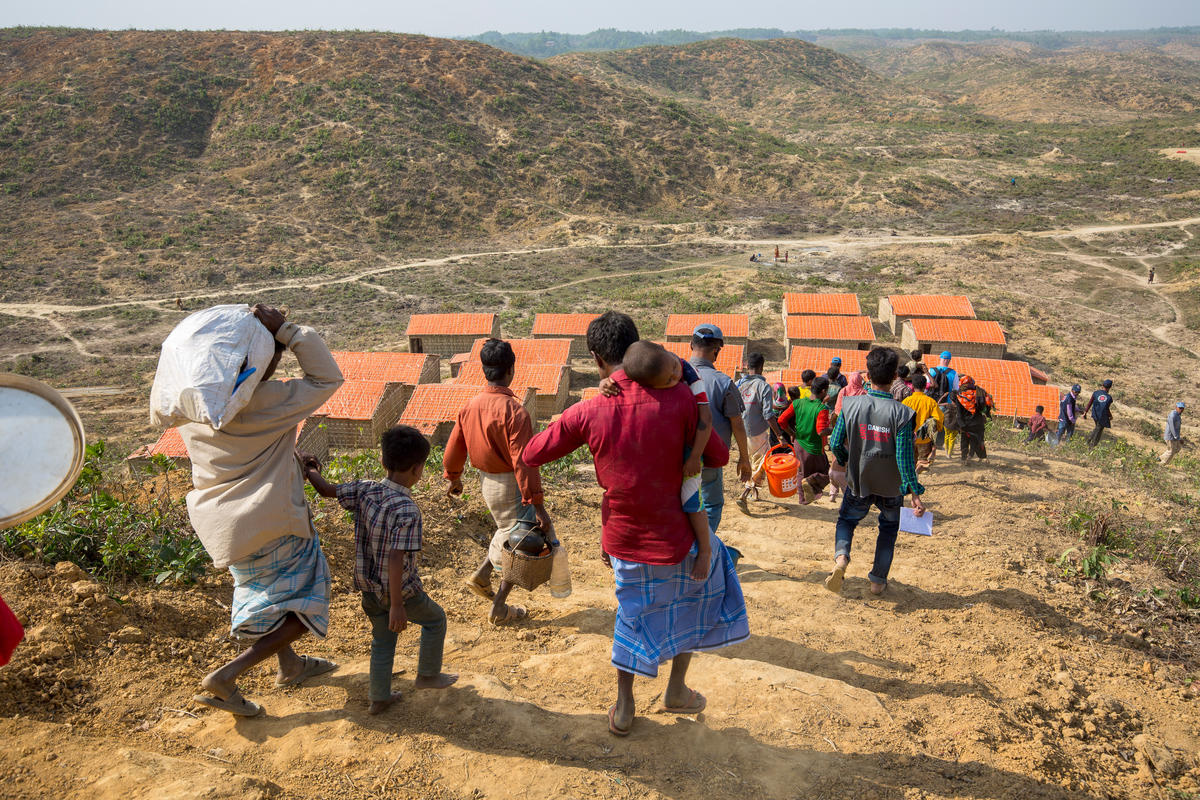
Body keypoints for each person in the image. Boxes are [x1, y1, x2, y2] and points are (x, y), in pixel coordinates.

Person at [522, 311, 749, 737]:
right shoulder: (681, 399)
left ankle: (625, 706)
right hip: (681, 537)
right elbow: (717, 456)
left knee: (631, 615)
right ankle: (676, 689)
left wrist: (577, 412)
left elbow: (533, 453)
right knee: (696, 599)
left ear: (595, 358)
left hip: (624, 539)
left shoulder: (591, 409)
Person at [185, 304, 344, 717]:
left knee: (274, 597)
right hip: (271, 520)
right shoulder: (266, 401)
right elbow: (328, 376)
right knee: (307, 598)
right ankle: (225, 677)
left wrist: (289, 458)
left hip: (223, 524)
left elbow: (245, 454)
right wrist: (289, 331)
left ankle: (290, 666)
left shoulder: (194, 408)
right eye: (271, 354)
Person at [304, 426, 457, 714]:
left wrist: (310, 468)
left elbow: (326, 490)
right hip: (401, 593)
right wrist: (398, 605)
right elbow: (396, 557)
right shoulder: (407, 510)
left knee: (383, 641)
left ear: (383, 462)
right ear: (417, 469)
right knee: (435, 620)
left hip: (368, 588)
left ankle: (379, 697)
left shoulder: (366, 489)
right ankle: (427, 675)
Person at [443, 339, 552, 625]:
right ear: (511, 370)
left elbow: (455, 446)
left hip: (486, 482)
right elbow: (523, 462)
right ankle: (500, 608)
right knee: (521, 543)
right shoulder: (515, 412)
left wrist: (454, 478)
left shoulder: (470, 406)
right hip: (511, 484)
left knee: (506, 531)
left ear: (484, 370)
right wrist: (537, 504)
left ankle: (481, 577)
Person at [825, 347, 926, 596]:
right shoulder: (903, 413)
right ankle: (878, 582)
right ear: (894, 376)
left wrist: (848, 460)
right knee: (888, 529)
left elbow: (835, 442)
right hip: (891, 487)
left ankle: (841, 560)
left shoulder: (850, 405)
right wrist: (914, 491)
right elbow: (904, 457)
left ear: (867, 374)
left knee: (847, 520)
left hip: (859, 480)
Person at [614, 340, 720, 554]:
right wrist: (605, 384)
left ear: (665, 351)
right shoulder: (648, 370)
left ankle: (705, 549)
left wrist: (695, 457)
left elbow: (706, 419)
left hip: (692, 447)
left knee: (690, 499)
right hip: (668, 448)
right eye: (668, 381)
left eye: (673, 369)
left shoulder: (689, 374)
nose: (675, 375)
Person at [690, 324, 752, 535]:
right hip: (708, 461)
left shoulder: (673, 378)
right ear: (717, 350)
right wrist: (744, 458)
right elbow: (737, 423)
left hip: (675, 459)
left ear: (691, 345)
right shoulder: (723, 382)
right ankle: (701, 551)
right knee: (711, 506)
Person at [736, 352, 784, 501]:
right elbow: (768, 415)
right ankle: (746, 492)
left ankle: (753, 492)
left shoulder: (738, 384)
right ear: (762, 367)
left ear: (747, 366)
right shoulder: (764, 386)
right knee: (761, 461)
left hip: (739, 431)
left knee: (748, 459)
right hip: (757, 432)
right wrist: (779, 435)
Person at [778, 375, 833, 504]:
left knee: (802, 472)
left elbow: (781, 420)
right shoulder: (822, 408)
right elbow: (821, 431)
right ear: (824, 391)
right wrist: (834, 430)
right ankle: (810, 483)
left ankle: (803, 500)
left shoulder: (797, 402)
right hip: (813, 448)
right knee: (826, 474)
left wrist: (792, 433)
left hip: (798, 444)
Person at [903, 374, 943, 473]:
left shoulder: (906, 401)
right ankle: (919, 469)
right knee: (923, 461)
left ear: (912, 386)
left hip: (909, 438)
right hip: (925, 440)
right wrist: (937, 430)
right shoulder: (930, 402)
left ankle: (913, 477)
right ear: (925, 386)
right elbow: (939, 419)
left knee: (910, 462)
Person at [950, 375, 992, 461]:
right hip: (977, 422)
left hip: (965, 423)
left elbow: (959, 413)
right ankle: (976, 456)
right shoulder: (980, 393)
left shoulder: (960, 396)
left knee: (964, 440)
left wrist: (961, 424)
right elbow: (986, 406)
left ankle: (964, 458)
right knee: (977, 440)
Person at [1084, 379, 1116, 448]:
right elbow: (1106, 409)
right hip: (1102, 416)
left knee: (1097, 428)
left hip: (1095, 414)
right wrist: (1110, 416)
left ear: (1102, 385)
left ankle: (1089, 443)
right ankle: (1091, 445)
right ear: (1110, 388)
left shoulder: (1095, 393)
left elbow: (1090, 403)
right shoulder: (1109, 398)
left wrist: (1085, 411)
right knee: (1098, 430)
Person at [770, 382, 792, 447]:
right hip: (788, 438)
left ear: (773, 393)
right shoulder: (790, 405)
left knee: (777, 456)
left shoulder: (769, 405)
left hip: (775, 439)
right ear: (785, 392)